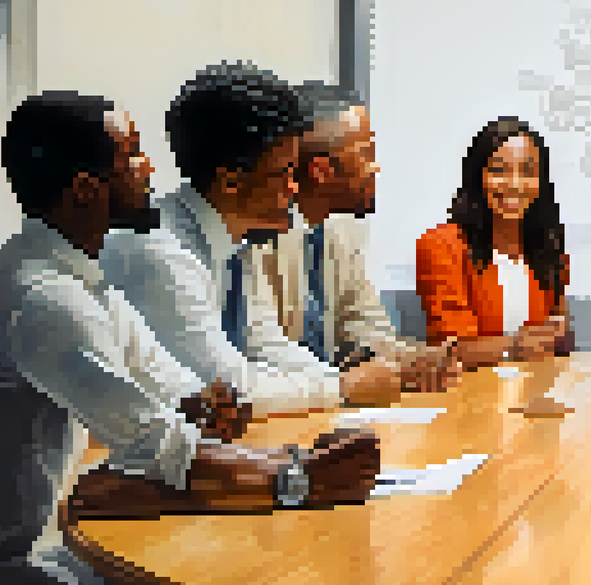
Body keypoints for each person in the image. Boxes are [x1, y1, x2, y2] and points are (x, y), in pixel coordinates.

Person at [0, 92, 380, 585]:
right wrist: (298, 476)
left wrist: (211, 413)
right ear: (85, 190)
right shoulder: (44, 299)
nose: (150, 166)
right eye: (131, 155)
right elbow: (158, 443)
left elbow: (174, 389)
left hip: (44, 547)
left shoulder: (79, 277)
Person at [102, 62, 402, 415]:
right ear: (231, 181)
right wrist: (342, 388)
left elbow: (263, 344)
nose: (295, 189)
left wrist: (348, 379)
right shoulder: (158, 251)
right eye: (285, 173)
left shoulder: (237, 243)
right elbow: (224, 386)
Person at [258, 81, 461, 392]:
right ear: (321, 171)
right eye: (366, 153)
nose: (375, 167)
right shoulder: (259, 240)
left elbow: (365, 324)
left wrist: (412, 359)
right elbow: (266, 356)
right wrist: (347, 382)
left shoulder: (343, 230)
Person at [417, 117, 572, 366]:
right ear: (477, 177)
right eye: (499, 170)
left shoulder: (548, 248)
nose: (514, 184)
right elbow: (452, 350)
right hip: (468, 388)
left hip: (535, 386)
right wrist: (517, 346)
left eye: (527, 172)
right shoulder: (441, 245)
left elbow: (555, 344)